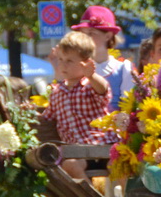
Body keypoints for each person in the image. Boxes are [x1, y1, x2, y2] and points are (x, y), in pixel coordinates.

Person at [43, 31, 116, 177]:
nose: (63, 65)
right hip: (76, 152)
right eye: (61, 59)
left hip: (102, 145)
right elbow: (47, 117)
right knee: (70, 165)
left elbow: (103, 90)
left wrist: (91, 75)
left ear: (87, 62)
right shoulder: (57, 92)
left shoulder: (89, 84)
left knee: (118, 163)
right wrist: (30, 111)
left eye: (69, 61)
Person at [71, 5, 137, 108]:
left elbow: (129, 108)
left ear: (108, 36)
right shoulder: (75, 67)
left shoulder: (123, 69)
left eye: (91, 33)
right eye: (83, 34)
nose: (86, 38)